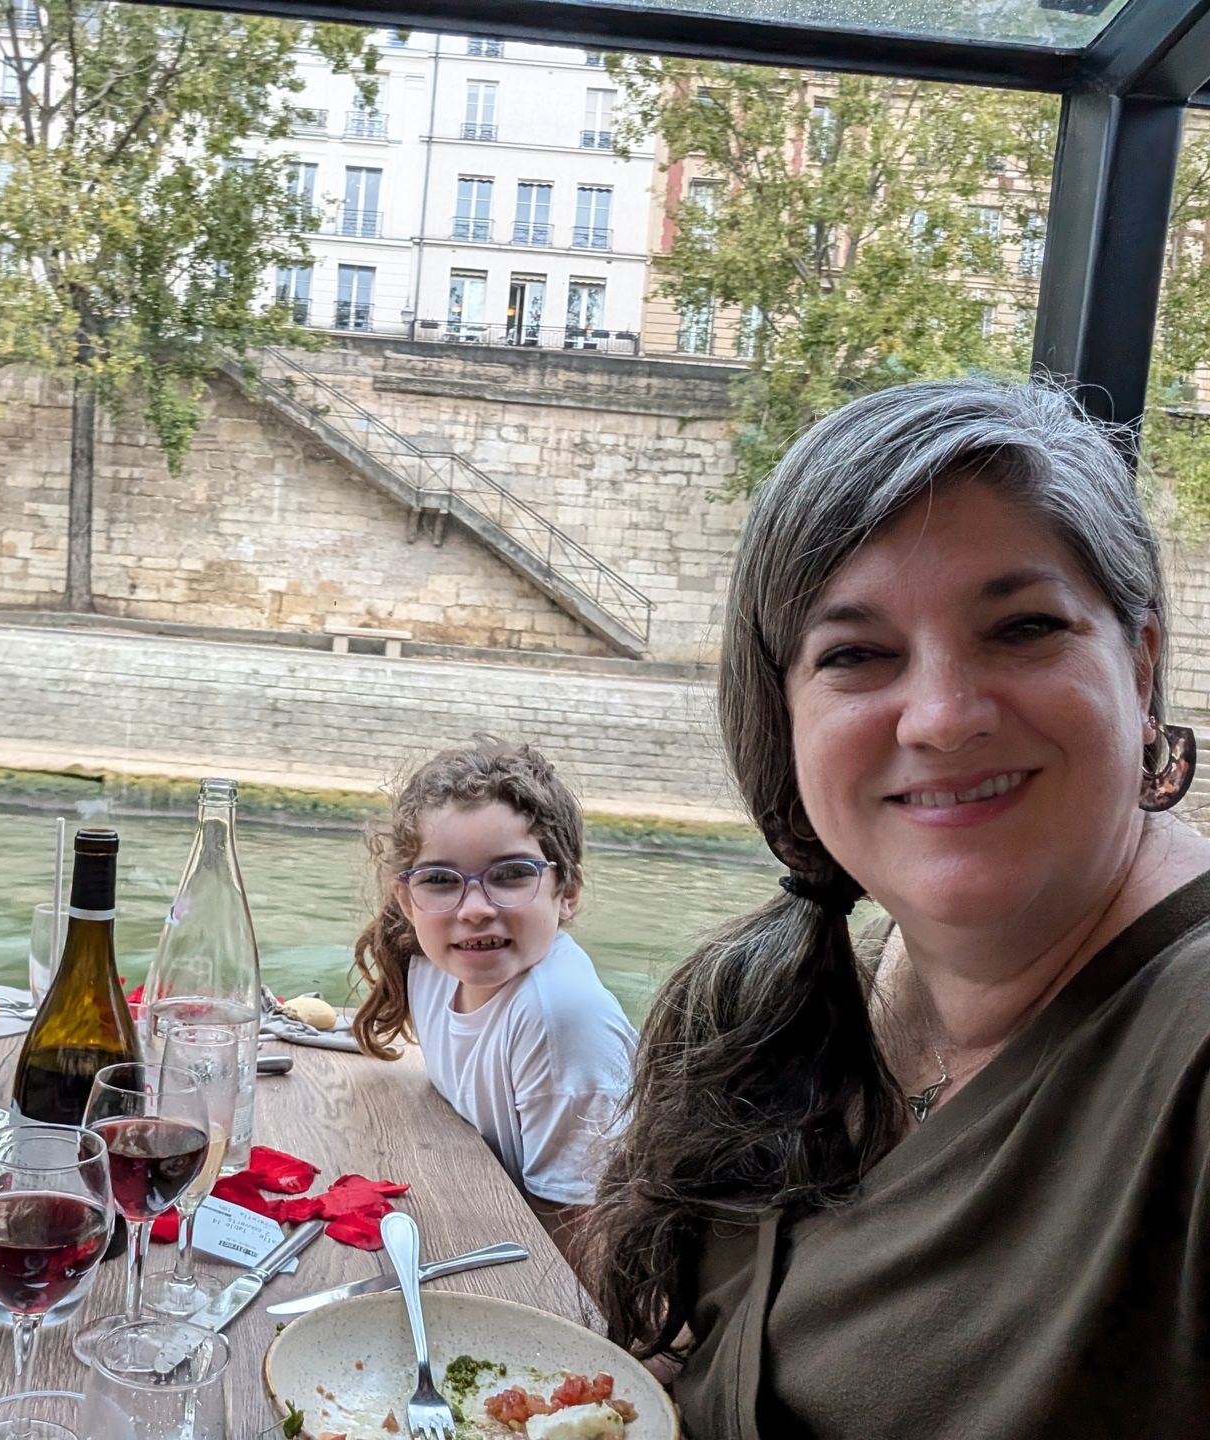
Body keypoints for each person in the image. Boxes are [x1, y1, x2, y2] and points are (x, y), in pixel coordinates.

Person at [579, 378, 1210, 1438]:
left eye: (1023, 627)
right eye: (857, 654)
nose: (945, 717)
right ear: (782, 718)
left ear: (1139, 670)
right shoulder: (767, 1007)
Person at [351, 738, 638, 1237]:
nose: (474, 908)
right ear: (407, 898)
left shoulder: (562, 1016)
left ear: (566, 892)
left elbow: (586, 1233)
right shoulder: (431, 965)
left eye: (509, 874)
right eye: (440, 880)